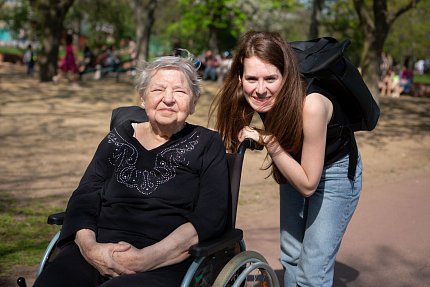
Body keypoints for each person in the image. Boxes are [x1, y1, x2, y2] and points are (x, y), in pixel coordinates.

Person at [34, 55, 229, 287]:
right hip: (98, 248)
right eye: (158, 90)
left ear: (194, 102)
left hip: (164, 261)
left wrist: (145, 259)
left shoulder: (207, 143)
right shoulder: (119, 137)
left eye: (180, 92)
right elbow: (85, 196)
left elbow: (211, 216)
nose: (168, 99)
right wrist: (91, 249)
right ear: (143, 98)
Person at [210, 31, 362, 287]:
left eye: (270, 78)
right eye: (251, 78)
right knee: (291, 256)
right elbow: (228, 147)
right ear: (240, 77)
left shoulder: (311, 105)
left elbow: (307, 184)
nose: (260, 89)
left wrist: (268, 141)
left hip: (332, 173)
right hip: (292, 161)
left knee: (313, 270)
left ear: (286, 76)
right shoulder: (246, 95)